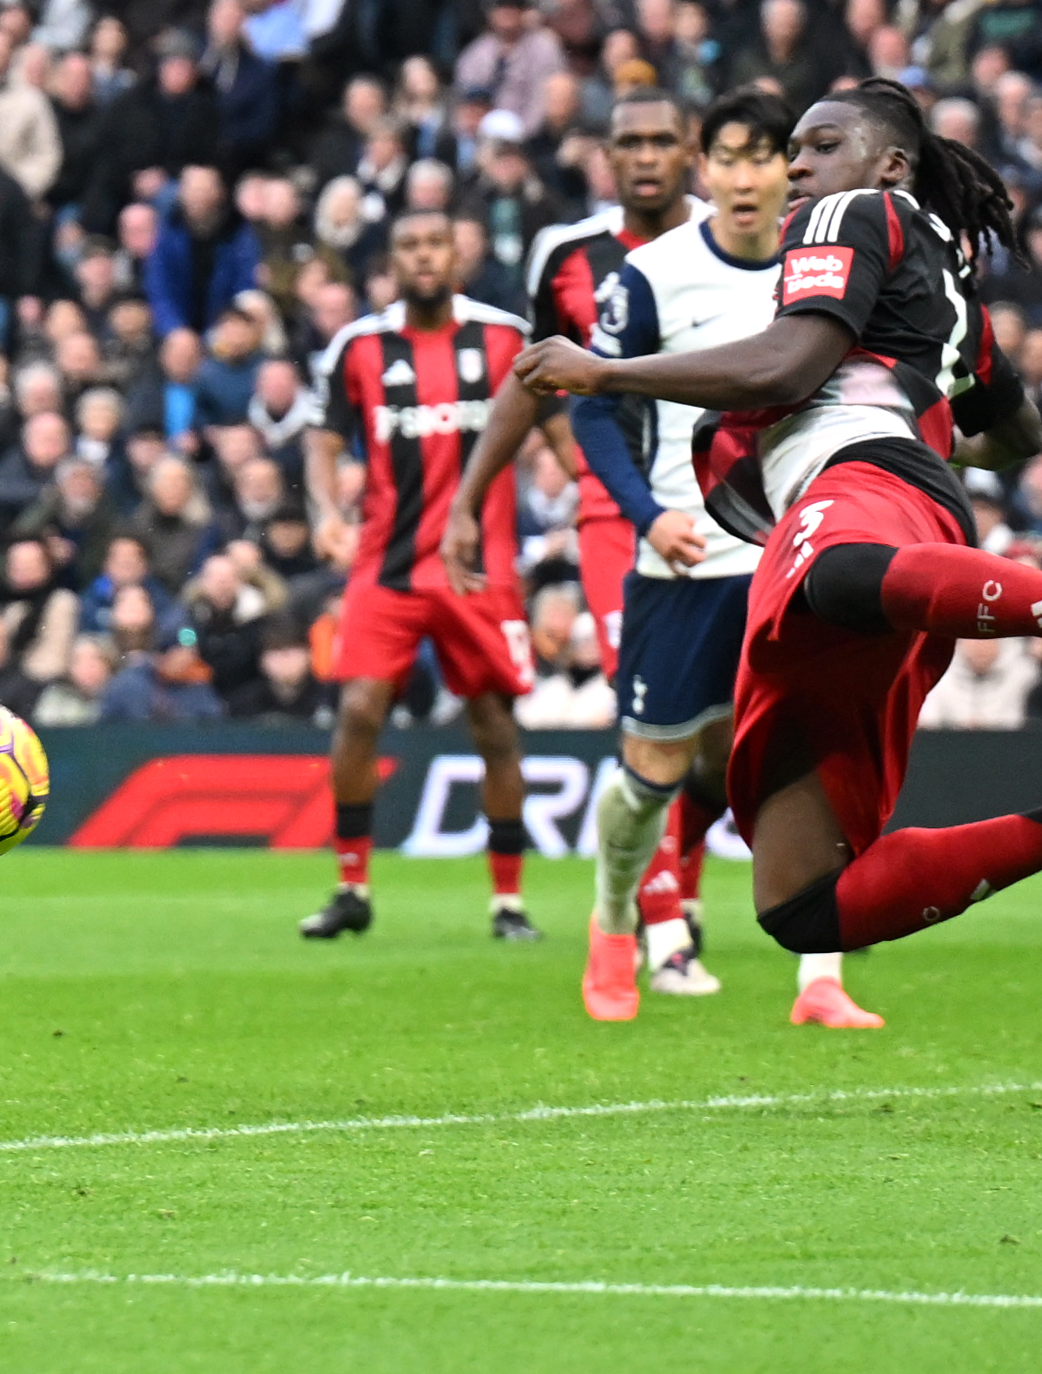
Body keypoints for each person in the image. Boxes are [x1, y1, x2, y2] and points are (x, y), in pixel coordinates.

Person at [513, 79, 1042, 973]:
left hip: (858, 484)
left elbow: (786, 366)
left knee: (839, 571)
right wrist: (920, 410)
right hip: (889, 521)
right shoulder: (945, 276)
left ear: (890, 165)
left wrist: (604, 371)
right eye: (791, 151)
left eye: (821, 145)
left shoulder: (849, 212)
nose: (795, 165)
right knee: (801, 904)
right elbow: (1017, 433)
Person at [484, 88, 877, 1027]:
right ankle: (613, 920)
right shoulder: (652, 275)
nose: (743, 177)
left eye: (761, 156)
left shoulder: (828, 265)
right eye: (726, 158)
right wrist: (647, 514)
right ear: (707, 169)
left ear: (787, 168)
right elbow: (591, 406)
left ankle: (819, 979)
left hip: (794, 558)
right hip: (685, 561)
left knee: (806, 761)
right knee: (647, 775)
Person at [300, 205, 545, 944]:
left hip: (478, 571)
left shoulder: (505, 338)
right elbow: (322, 439)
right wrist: (324, 511)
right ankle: (351, 887)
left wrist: (595, 498)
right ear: (391, 261)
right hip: (390, 566)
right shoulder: (359, 346)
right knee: (357, 712)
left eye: (437, 242)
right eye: (409, 245)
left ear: (457, 254)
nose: (424, 255)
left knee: (493, 726)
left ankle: (507, 902)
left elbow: (560, 426)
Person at [524, 87, 699, 677]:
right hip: (613, 510)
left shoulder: (736, 242)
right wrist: (580, 462)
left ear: (690, 151)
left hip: (719, 496)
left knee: (725, 692)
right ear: (607, 155)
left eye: (661, 141)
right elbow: (536, 374)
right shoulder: (564, 251)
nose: (646, 157)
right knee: (637, 682)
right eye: (631, 143)